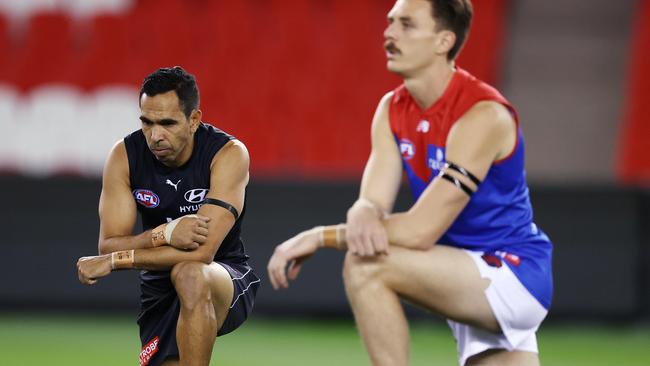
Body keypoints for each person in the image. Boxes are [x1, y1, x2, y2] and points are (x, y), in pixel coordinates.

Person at [267, 1, 552, 365]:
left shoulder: (482, 115)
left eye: (406, 25)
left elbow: (420, 231)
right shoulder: (392, 109)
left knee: (365, 265)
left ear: (443, 41)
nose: (389, 33)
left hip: (510, 273)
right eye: (389, 23)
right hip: (464, 273)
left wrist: (321, 236)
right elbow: (372, 202)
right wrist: (363, 211)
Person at [77, 66, 260, 366]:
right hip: (159, 287)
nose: (155, 135)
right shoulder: (124, 156)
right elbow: (109, 243)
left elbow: (202, 252)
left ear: (194, 120)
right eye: (147, 122)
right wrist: (163, 234)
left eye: (167, 123)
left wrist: (114, 262)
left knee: (189, 273)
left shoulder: (227, 154)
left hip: (223, 274)